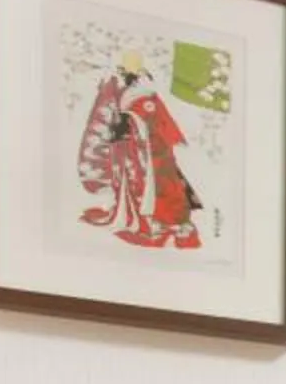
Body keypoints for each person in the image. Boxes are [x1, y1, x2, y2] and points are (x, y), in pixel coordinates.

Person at [72, 48, 203, 250]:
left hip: (147, 145)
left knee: (159, 180)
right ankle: (155, 219)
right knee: (145, 180)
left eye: (129, 74)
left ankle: (164, 220)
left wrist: (140, 129)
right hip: (133, 144)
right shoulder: (121, 90)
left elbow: (158, 118)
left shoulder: (143, 93)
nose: (129, 77)